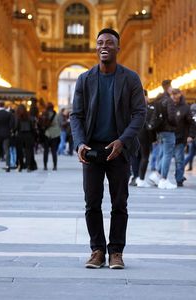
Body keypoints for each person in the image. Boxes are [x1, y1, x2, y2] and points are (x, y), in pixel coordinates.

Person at [70, 28, 146, 269]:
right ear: (96, 48)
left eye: (109, 43)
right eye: (100, 42)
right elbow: (76, 115)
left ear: (117, 48)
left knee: (119, 203)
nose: (104, 46)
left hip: (119, 149)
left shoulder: (131, 78)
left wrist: (122, 140)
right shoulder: (84, 79)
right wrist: (80, 143)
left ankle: (116, 251)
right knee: (92, 202)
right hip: (92, 150)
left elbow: (140, 113)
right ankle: (97, 250)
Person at [39, 102, 61, 170]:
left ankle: (45, 166)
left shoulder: (45, 114)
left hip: (47, 134)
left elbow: (41, 124)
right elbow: (59, 124)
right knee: (54, 151)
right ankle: (55, 166)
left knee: (46, 151)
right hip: (55, 134)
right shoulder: (56, 115)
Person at [0, 100, 15, 172]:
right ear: (4, 105)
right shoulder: (8, 114)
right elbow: (12, 124)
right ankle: (7, 166)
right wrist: (10, 129)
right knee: (7, 150)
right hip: (6, 134)